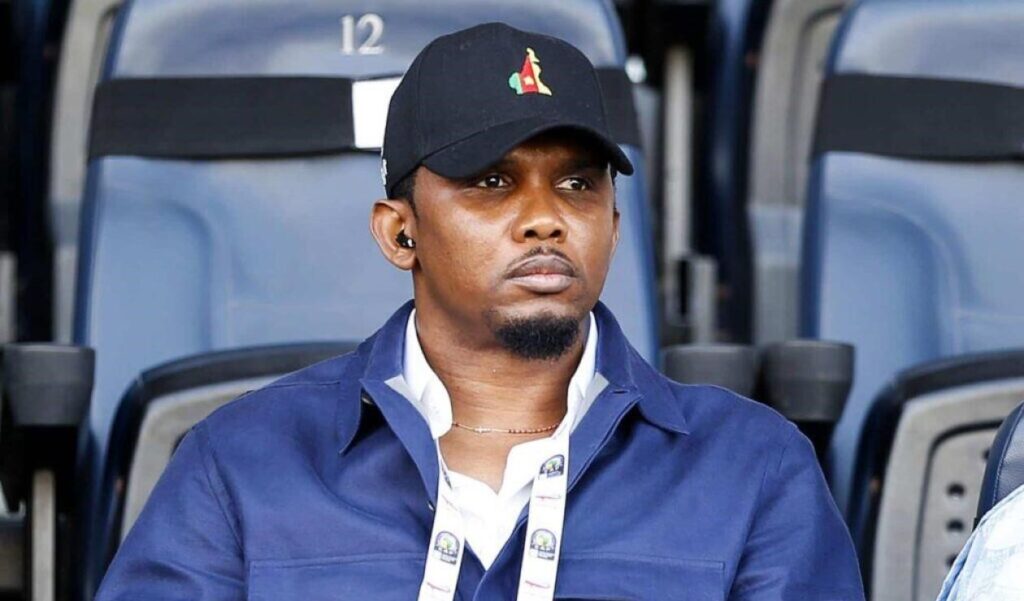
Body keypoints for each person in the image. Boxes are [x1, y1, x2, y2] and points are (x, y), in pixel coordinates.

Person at [96, 22, 864, 600]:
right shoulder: (241, 463)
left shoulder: (753, 467)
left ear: (613, 226)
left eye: (577, 184)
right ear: (400, 233)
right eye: (492, 182)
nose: (545, 219)